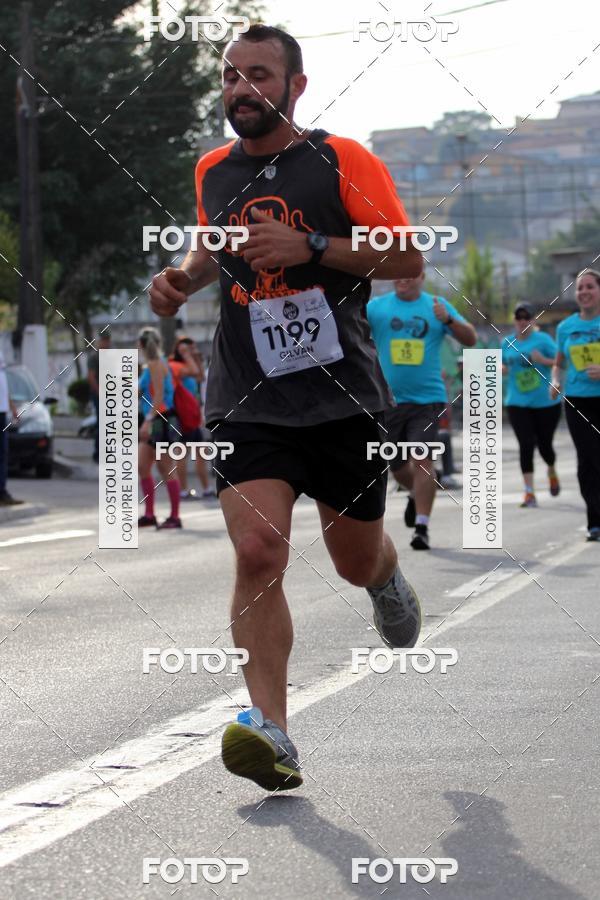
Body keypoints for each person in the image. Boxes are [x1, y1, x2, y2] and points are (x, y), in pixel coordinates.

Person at [149, 24, 425, 791]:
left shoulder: (341, 160)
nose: (242, 89)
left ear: (295, 86)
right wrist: (182, 279)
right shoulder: (212, 170)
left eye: (259, 75)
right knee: (258, 551)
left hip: (342, 399)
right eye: (232, 77)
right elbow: (212, 252)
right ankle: (271, 728)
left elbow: (406, 257)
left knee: (351, 556)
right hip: (248, 398)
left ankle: (383, 578)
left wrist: (310, 250)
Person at [367, 272, 477, 550]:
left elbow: (471, 338)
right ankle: (416, 494)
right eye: (398, 271)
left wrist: (448, 320)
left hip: (427, 400)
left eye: (409, 272)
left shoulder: (436, 305)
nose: (402, 277)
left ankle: (421, 528)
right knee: (396, 465)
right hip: (388, 401)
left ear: (421, 276)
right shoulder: (377, 307)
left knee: (423, 460)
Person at [551, 269, 600, 541]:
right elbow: (559, 363)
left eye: (589, 287)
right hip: (577, 400)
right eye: (579, 288)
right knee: (587, 460)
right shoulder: (565, 327)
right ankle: (594, 521)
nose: (584, 292)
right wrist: (555, 381)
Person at [502, 303, 561, 508]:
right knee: (525, 445)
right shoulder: (507, 342)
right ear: (514, 321)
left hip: (545, 402)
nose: (522, 322)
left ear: (533, 320)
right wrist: (499, 368)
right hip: (517, 402)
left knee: (545, 446)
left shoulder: (543, 340)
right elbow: (503, 365)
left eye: (526, 318)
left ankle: (551, 468)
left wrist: (542, 359)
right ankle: (529, 492)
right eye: (518, 318)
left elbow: (560, 362)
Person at [138, 327, 182, 529]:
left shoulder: (156, 365)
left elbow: (159, 397)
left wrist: (147, 420)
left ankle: (174, 517)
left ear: (141, 345)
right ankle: (149, 514)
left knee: (165, 468)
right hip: (157, 418)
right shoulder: (151, 366)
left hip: (161, 420)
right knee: (142, 466)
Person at [168, 336, 215, 499]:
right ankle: (183, 490)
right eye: (187, 349)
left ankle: (207, 488)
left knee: (201, 451)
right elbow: (194, 372)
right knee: (182, 454)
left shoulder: (191, 364)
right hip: (181, 416)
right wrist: (188, 355)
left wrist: (194, 357)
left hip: (193, 415)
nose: (191, 352)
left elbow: (200, 376)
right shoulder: (174, 365)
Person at [0, 349, 23, 506]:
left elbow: (3, 384)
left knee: (2, 452)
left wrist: (12, 407)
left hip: (2, 411)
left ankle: (2, 491)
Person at [87, 331, 111, 463]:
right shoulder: (94, 356)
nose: (106, 343)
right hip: (99, 395)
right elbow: (91, 377)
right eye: (104, 340)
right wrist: (99, 392)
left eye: (107, 340)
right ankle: (98, 453)